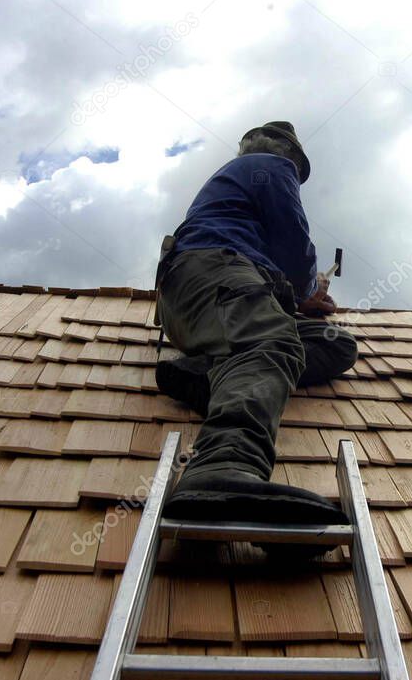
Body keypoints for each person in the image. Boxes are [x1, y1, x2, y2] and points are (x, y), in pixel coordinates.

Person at [153, 121, 357, 529]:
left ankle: (211, 374)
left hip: (201, 300)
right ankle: (222, 467)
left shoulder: (240, 180)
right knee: (274, 343)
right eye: (296, 172)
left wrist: (297, 300)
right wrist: (306, 290)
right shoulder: (272, 166)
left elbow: (278, 254)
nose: (295, 177)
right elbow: (294, 242)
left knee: (336, 344)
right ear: (290, 158)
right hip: (217, 275)